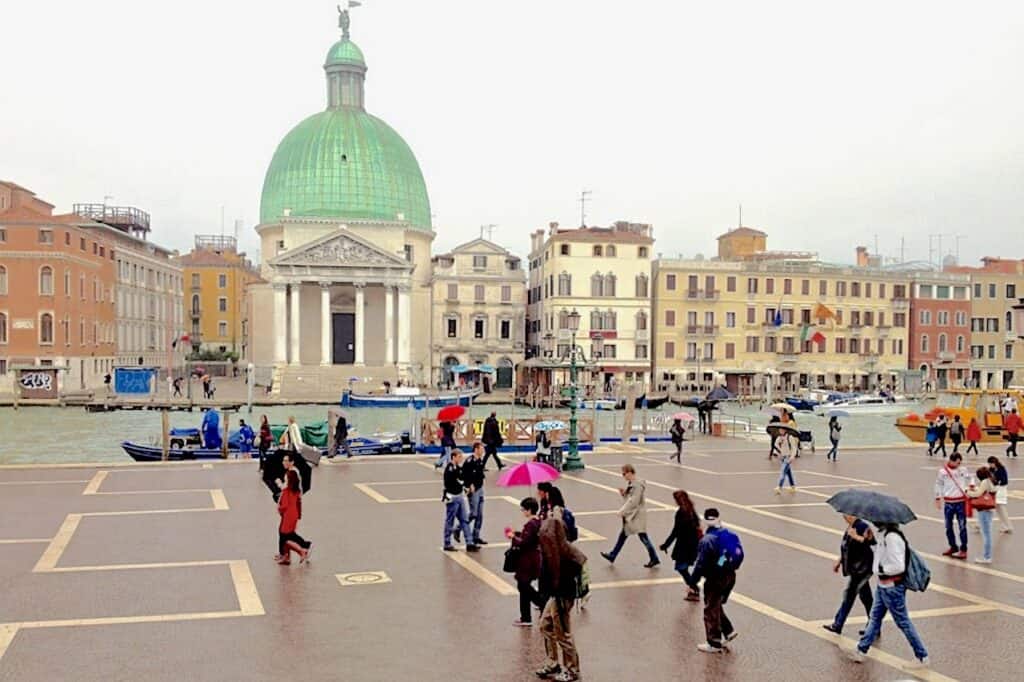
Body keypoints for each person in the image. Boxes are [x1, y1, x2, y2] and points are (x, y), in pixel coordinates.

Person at [850, 523, 928, 668]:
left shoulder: (892, 538)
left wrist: (881, 569)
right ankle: (861, 650)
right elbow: (880, 555)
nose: (873, 522)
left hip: (892, 587)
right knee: (875, 617)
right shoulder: (883, 535)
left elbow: (898, 566)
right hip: (883, 585)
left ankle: (922, 656)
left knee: (902, 622)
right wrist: (870, 541)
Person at [534, 515, 586, 682]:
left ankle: (572, 670)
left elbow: (565, 577)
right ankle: (553, 662)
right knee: (545, 625)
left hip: (562, 596)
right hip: (555, 595)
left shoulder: (565, 555)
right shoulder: (553, 551)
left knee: (563, 634)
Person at [691, 508, 741, 653]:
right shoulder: (729, 534)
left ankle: (714, 642)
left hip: (715, 577)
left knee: (710, 608)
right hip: (730, 575)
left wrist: (692, 582)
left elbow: (700, 564)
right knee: (716, 603)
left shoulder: (707, 540)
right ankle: (728, 630)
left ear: (706, 521)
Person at [823, 515, 875, 635]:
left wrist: (856, 536)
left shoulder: (863, 526)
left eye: (845, 514)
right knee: (866, 597)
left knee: (849, 596)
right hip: (855, 568)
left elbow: (871, 541)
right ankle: (874, 626)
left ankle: (838, 624)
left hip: (862, 568)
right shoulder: (851, 526)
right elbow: (847, 547)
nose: (843, 516)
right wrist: (839, 560)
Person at [600, 464, 660, 568]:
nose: (623, 476)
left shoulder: (637, 485)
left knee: (642, 537)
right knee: (625, 535)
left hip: (636, 515)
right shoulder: (633, 484)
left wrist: (622, 511)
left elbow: (633, 501)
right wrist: (624, 493)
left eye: (624, 474)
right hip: (634, 515)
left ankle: (654, 558)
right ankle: (613, 555)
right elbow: (631, 498)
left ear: (630, 472)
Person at [660, 489, 702, 602]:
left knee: (681, 568)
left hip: (684, 545)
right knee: (684, 567)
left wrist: (666, 544)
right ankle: (693, 588)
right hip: (693, 544)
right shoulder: (691, 510)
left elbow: (676, 531)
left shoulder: (681, 513)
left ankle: (694, 589)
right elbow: (698, 525)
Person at [508, 497, 543, 626]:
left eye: (523, 509)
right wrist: (518, 533)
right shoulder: (539, 521)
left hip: (527, 559)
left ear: (529, 510)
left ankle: (539, 604)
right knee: (523, 586)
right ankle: (525, 616)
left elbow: (524, 542)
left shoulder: (530, 524)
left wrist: (513, 537)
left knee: (523, 585)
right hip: (534, 557)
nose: (523, 512)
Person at [934, 452, 970, 559]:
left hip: (960, 502)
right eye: (957, 463)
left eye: (960, 463)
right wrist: (937, 497)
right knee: (948, 526)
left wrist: (970, 486)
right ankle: (953, 546)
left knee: (962, 526)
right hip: (949, 502)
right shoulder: (943, 471)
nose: (958, 465)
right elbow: (938, 484)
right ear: (951, 460)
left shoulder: (963, 470)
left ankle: (964, 548)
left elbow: (970, 478)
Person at [442, 450, 477, 552]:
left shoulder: (458, 468)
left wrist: (465, 486)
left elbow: (463, 478)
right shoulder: (450, 469)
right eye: (459, 457)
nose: (461, 459)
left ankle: (469, 542)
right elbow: (450, 483)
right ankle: (447, 543)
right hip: (452, 497)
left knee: (464, 520)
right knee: (450, 521)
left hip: (459, 496)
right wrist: (461, 484)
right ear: (453, 457)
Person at [275, 467, 311, 565]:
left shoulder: (286, 491)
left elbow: (284, 505)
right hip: (294, 515)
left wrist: (279, 508)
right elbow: (298, 503)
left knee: (285, 537)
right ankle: (288, 555)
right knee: (290, 534)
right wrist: (299, 515)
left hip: (287, 515)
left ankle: (300, 551)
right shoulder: (296, 490)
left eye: (286, 478)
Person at [462, 442, 488, 546]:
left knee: (480, 516)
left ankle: (476, 536)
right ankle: (458, 528)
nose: (483, 451)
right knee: (473, 513)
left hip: (480, 488)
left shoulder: (480, 461)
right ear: (476, 449)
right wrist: (469, 485)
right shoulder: (469, 461)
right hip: (473, 490)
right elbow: (464, 475)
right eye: (481, 449)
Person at [986, 456, 1013, 533]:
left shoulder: (1001, 469)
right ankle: (1006, 526)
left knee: (1001, 510)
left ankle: (1008, 526)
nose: (990, 465)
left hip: (1001, 491)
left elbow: (1004, 481)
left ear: (995, 462)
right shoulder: (991, 470)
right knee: (997, 510)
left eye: (991, 463)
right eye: (989, 464)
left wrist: (996, 482)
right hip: (995, 491)